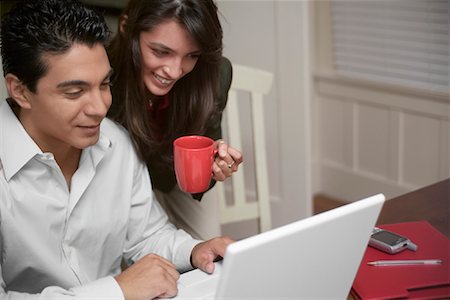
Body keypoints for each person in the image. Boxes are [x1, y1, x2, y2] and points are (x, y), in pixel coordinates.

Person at [0, 0, 232, 299]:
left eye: (105, 84)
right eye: (75, 92)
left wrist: (194, 251)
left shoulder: (116, 142)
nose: (99, 108)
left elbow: (147, 235)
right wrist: (118, 290)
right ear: (19, 90)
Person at [107, 0, 243, 240]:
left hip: (172, 177)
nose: (174, 70)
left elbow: (205, 151)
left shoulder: (214, 74)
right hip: (114, 182)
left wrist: (211, 166)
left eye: (191, 55)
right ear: (127, 28)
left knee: (207, 252)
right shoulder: (101, 72)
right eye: (161, 52)